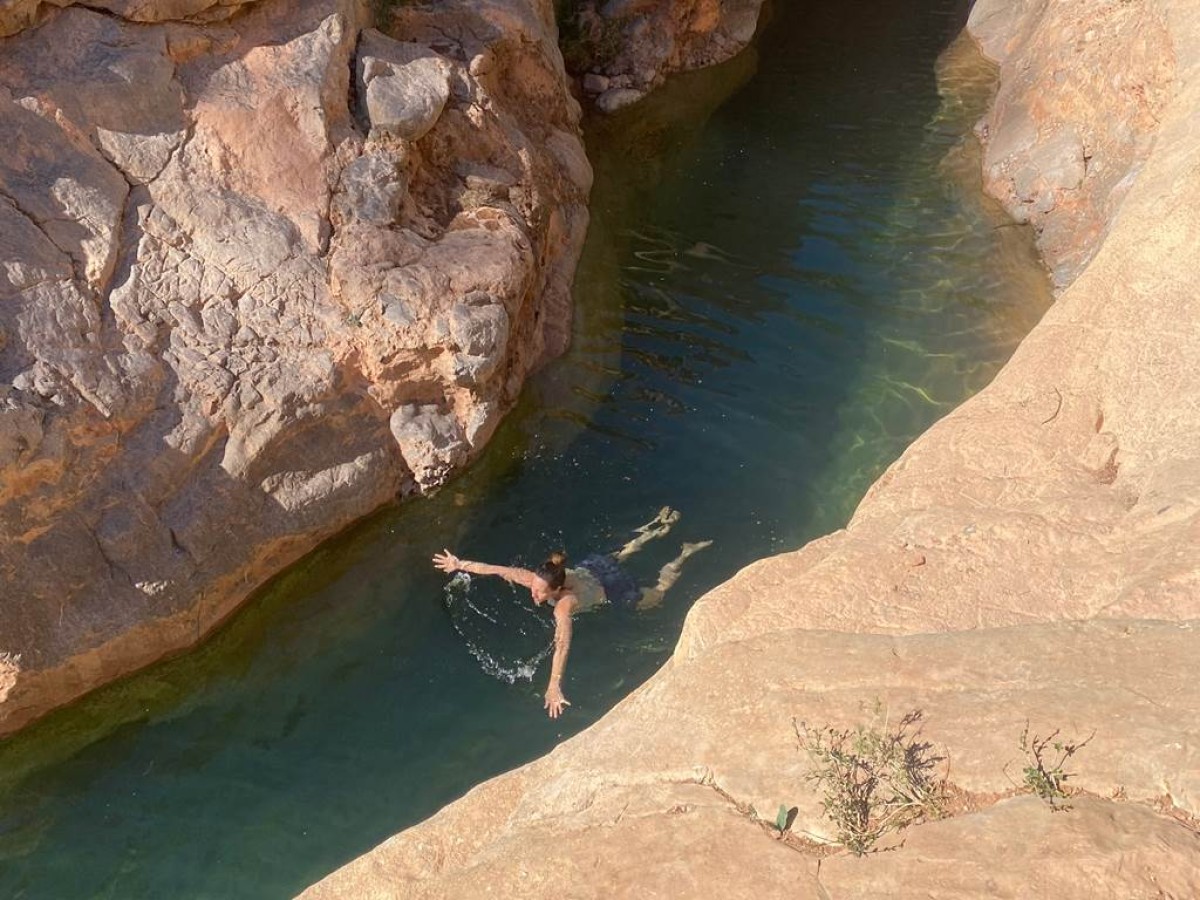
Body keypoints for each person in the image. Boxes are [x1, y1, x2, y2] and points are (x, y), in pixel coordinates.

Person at [432, 507, 711, 719]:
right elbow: (498, 570)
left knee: (656, 596)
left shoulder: (564, 604)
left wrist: (554, 685)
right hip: (594, 568)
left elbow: (562, 645)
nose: (535, 593)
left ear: (556, 589)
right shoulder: (539, 578)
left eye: (541, 592)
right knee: (623, 552)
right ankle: (656, 528)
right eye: (535, 587)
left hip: (610, 589)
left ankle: (684, 554)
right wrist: (460, 564)